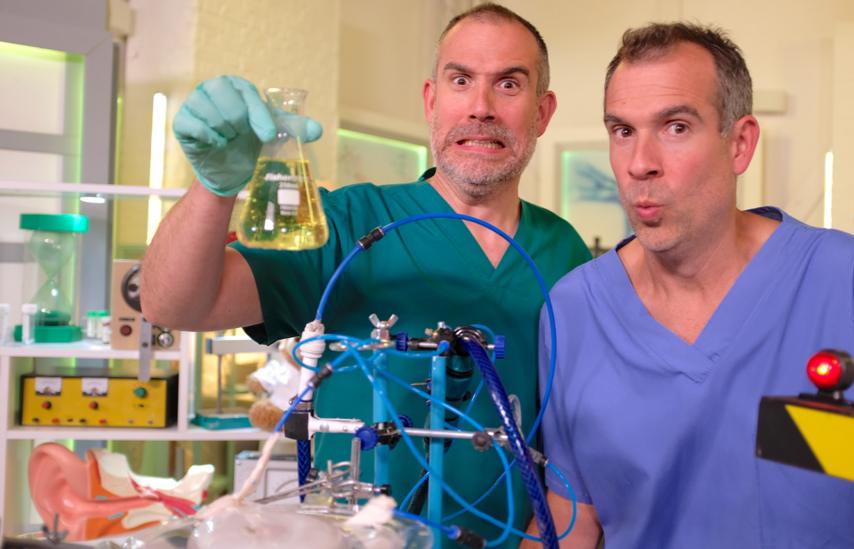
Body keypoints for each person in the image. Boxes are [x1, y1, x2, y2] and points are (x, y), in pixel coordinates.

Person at [141, 4, 591, 547]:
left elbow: (580, 436)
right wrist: (214, 189)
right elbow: (173, 305)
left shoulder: (563, 250)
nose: (481, 107)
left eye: (509, 84)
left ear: (542, 112)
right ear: (431, 100)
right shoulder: (348, 224)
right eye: (461, 80)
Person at [529, 22, 854, 548]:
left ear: (739, 143)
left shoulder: (845, 280)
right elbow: (572, 520)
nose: (639, 164)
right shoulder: (574, 310)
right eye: (622, 131)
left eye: (675, 127)